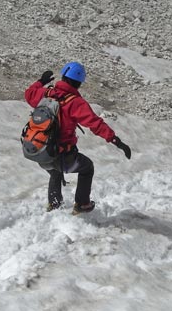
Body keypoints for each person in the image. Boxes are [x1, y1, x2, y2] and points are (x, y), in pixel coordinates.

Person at [24, 61, 132, 214]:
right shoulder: (75, 102)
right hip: (62, 158)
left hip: (40, 152)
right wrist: (117, 142)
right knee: (87, 168)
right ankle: (82, 204)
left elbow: (28, 94)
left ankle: (54, 205)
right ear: (79, 83)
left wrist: (41, 81)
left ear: (63, 76)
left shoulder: (45, 93)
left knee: (54, 171)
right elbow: (96, 124)